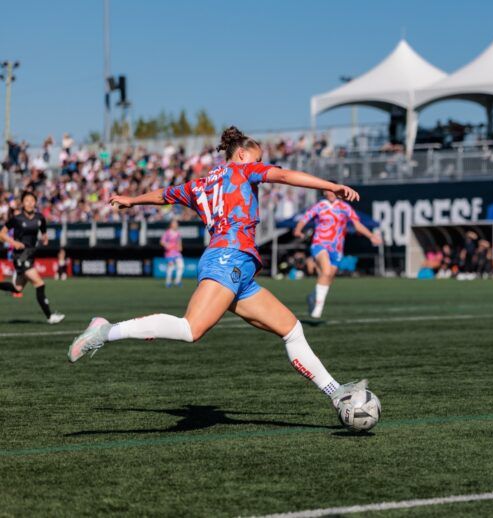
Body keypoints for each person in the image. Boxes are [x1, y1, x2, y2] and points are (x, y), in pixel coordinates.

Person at [67, 126, 371, 420]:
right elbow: (284, 175)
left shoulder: (198, 185)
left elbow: (164, 195)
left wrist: (133, 200)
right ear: (241, 155)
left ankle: (336, 392)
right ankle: (106, 331)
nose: (259, 165)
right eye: (257, 159)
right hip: (229, 257)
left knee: (292, 330)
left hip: (238, 267)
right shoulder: (243, 171)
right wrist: (330, 186)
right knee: (191, 329)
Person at [293, 184, 381, 319]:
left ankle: (311, 297)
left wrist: (371, 236)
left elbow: (357, 225)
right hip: (320, 244)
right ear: (324, 192)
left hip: (337, 248)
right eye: (328, 190)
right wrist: (298, 230)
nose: (331, 193)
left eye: (333, 190)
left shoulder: (345, 207)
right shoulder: (319, 206)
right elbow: (304, 219)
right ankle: (319, 306)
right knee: (326, 271)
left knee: (328, 277)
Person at [0, 192, 65, 324]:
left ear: (35, 202)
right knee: (39, 283)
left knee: (17, 288)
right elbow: (2, 234)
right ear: (23, 203)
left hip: (30, 255)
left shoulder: (40, 218)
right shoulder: (17, 219)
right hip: (20, 256)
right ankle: (50, 317)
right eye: (27, 200)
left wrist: (45, 238)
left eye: (32, 200)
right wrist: (13, 242)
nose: (29, 203)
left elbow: (44, 232)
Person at [161, 219, 184, 288]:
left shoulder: (178, 233)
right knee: (170, 268)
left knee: (181, 266)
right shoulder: (167, 232)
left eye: (176, 224)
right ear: (171, 225)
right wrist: (167, 245)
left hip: (176, 252)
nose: (176, 225)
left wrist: (180, 246)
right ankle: (168, 282)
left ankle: (177, 281)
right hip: (169, 253)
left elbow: (179, 241)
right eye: (175, 223)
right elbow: (162, 241)